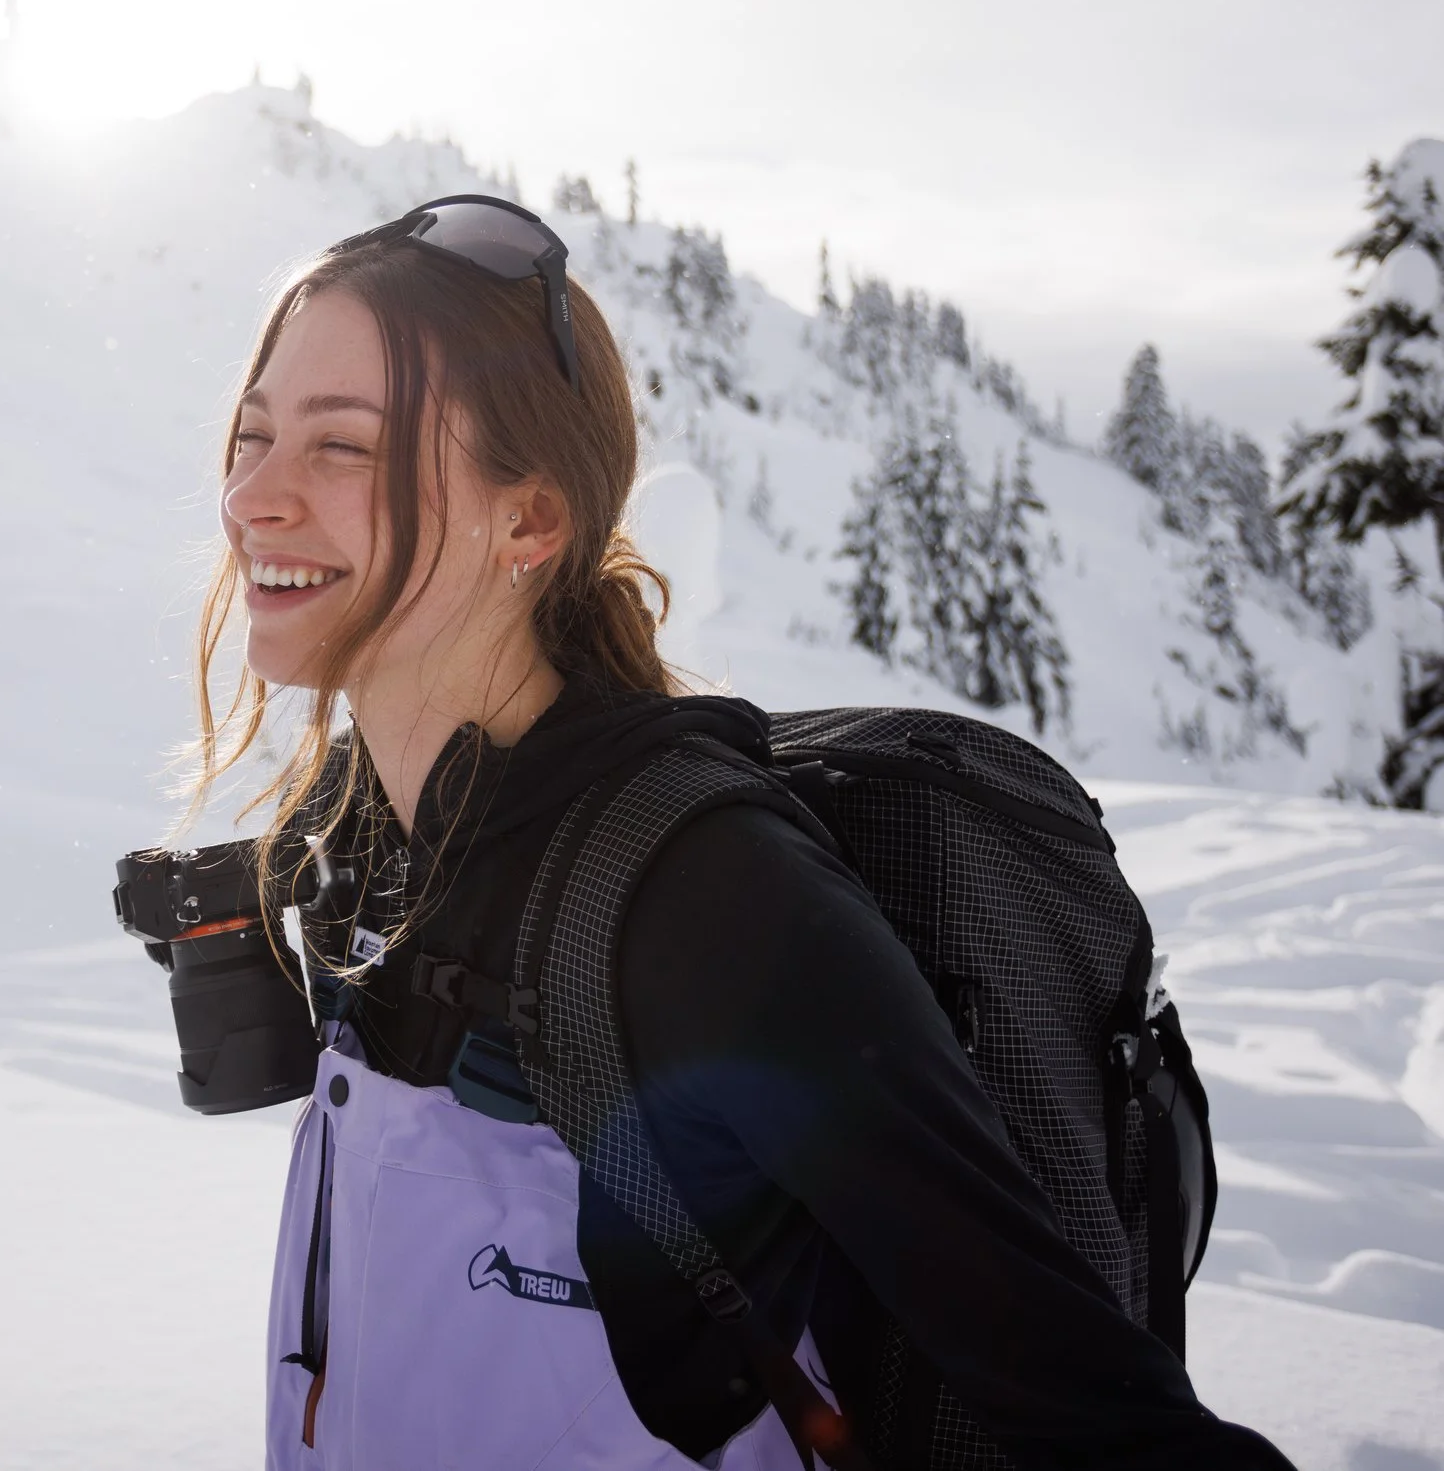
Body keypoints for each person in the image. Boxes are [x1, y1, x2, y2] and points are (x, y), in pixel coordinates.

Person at [179, 196, 1293, 1470]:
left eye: (342, 449)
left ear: (530, 521)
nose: (252, 497)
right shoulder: (360, 829)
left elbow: (1088, 1404)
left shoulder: (696, 892)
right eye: (254, 434)